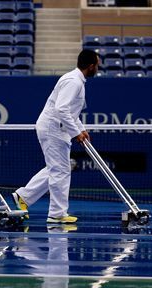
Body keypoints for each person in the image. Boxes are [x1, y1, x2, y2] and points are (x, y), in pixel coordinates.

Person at [12, 49, 100, 224]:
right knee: (60, 170)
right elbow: (61, 109)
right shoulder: (74, 82)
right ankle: (57, 214)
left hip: (56, 128)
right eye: (97, 65)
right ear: (91, 66)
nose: (98, 68)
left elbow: (71, 112)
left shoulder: (76, 81)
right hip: (53, 129)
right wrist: (76, 133)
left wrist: (80, 129)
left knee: (58, 167)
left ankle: (24, 196)